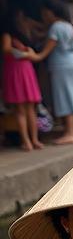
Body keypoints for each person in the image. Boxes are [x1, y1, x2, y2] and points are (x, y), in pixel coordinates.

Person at [33, 1, 73, 145]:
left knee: (64, 97)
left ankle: (70, 133)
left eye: (45, 13)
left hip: (61, 65)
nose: (44, 17)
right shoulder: (69, 26)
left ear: (51, 13)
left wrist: (36, 56)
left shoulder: (55, 27)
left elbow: (48, 48)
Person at [1, 11, 43, 150]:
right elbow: (6, 49)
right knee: (21, 109)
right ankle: (27, 141)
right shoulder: (9, 35)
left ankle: (33, 140)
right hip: (17, 69)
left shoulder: (24, 32)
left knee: (29, 108)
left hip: (24, 69)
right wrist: (23, 53)